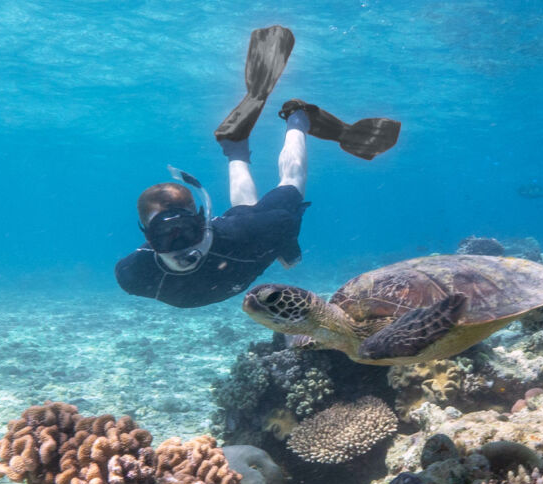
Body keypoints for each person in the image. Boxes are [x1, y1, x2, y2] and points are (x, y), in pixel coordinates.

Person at [115, 26, 400, 309]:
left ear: (203, 220)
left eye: (185, 231)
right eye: (164, 236)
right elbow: (252, 228)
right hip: (243, 236)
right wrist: (280, 247)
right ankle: (235, 147)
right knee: (248, 222)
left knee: (291, 183)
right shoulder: (131, 274)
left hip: (247, 233)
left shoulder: (137, 275)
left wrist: (287, 246)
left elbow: (282, 225)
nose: (181, 248)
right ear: (147, 239)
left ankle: (297, 117)